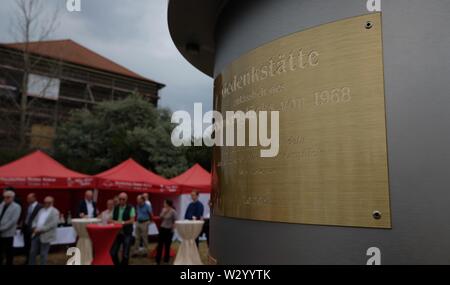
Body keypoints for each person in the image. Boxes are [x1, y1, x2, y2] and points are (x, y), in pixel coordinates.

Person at [29, 196, 59, 265]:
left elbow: (52, 224)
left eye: (48, 202)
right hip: (36, 233)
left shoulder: (55, 212)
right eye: (45, 202)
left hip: (46, 235)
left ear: (52, 203)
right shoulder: (41, 210)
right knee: (32, 252)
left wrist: (40, 230)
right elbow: (35, 220)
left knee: (43, 254)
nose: (46, 204)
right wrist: (34, 227)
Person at [110, 192, 136, 266]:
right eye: (120, 199)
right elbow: (111, 219)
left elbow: (132, 220)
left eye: (123, 199)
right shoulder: (116, 207)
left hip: (127, 232)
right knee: (113, 253)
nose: (121, 201)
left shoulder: (131, 208)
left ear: (126, 199)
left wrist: (122, 223)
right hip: (117, 233)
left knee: (125, 254)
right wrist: (113, 221)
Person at [0, 190, 22, 265]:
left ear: (12, 198)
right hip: (0, 232)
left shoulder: (17, 207)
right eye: (4, 197)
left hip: (8, 233)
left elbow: (12, 221)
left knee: (8, 251)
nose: (5, 199)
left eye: (8, 197)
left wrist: (1, 229)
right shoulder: (2, 204)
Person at [22, 193, 42, 264]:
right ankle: (27, 260)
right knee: (26, 246)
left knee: (32, 247)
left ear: (34, 198)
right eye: (27, 198)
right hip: (26, 229)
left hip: (33, 229)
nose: (27, 200)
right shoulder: (28, 206)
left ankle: (31, 261)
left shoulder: (39, 207)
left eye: (29, 198)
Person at [156, 199, 177, 264]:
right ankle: (158, 259)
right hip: (162, 228)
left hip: (169, 230)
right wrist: (164, 212)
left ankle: (166, 259)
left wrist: (173, 229)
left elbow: (175, 220)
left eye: (164, 203)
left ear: (168, 204)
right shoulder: (163, 209)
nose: (164, 204)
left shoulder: (173, 211)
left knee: (167, 245)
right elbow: (160, 217)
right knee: (160, 245)